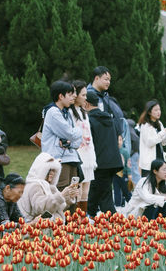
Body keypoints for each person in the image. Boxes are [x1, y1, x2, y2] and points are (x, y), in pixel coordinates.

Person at [85, 87, 122, 217]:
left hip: (100, 162)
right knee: (98, 192)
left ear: (86, 104)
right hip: (112, 162)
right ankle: (91, 216)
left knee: (103, 194)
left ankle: (114, 221)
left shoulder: (90, 120)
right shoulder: (109, 119)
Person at [41, 81, 84, 190]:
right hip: (59, 159)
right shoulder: (53, 112)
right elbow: (70, 133)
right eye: (70, 94)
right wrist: (79, 130)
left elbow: (76, 141)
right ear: (61, 96)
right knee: (62, 191)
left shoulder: (66, 113)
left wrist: (71, 139)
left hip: (71, 158)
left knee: (73, 191)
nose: (73, 97)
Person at [17, 153, 79, 223]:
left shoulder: (50, 187)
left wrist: (68, 197)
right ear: (41, 169)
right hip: (37, 229)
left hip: (52, 228)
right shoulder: (34, 185)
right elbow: (41, 209)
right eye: (49, 170)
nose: (52, 173)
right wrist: (61, 195)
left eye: (54, 170)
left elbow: (56, 208)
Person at [70, 81, 97, 215]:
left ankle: (83, 219)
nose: (86, 98)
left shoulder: (83, 112)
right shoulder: (69, 112)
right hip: (78, 156)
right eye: (83, 95)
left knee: (86, 190)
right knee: (78, 190)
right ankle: (76, 220)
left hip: (88, 156)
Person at [137, 99, 166, 177]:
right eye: (156, 110)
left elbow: (163, 143)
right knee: (149, 187)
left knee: (160, 187)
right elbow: (150, 142)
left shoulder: (159, 123)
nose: (159, 112)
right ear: (150, 112)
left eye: (159, 109)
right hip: (149, 164)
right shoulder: (145, 125)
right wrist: (162, 133)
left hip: (160, 161)